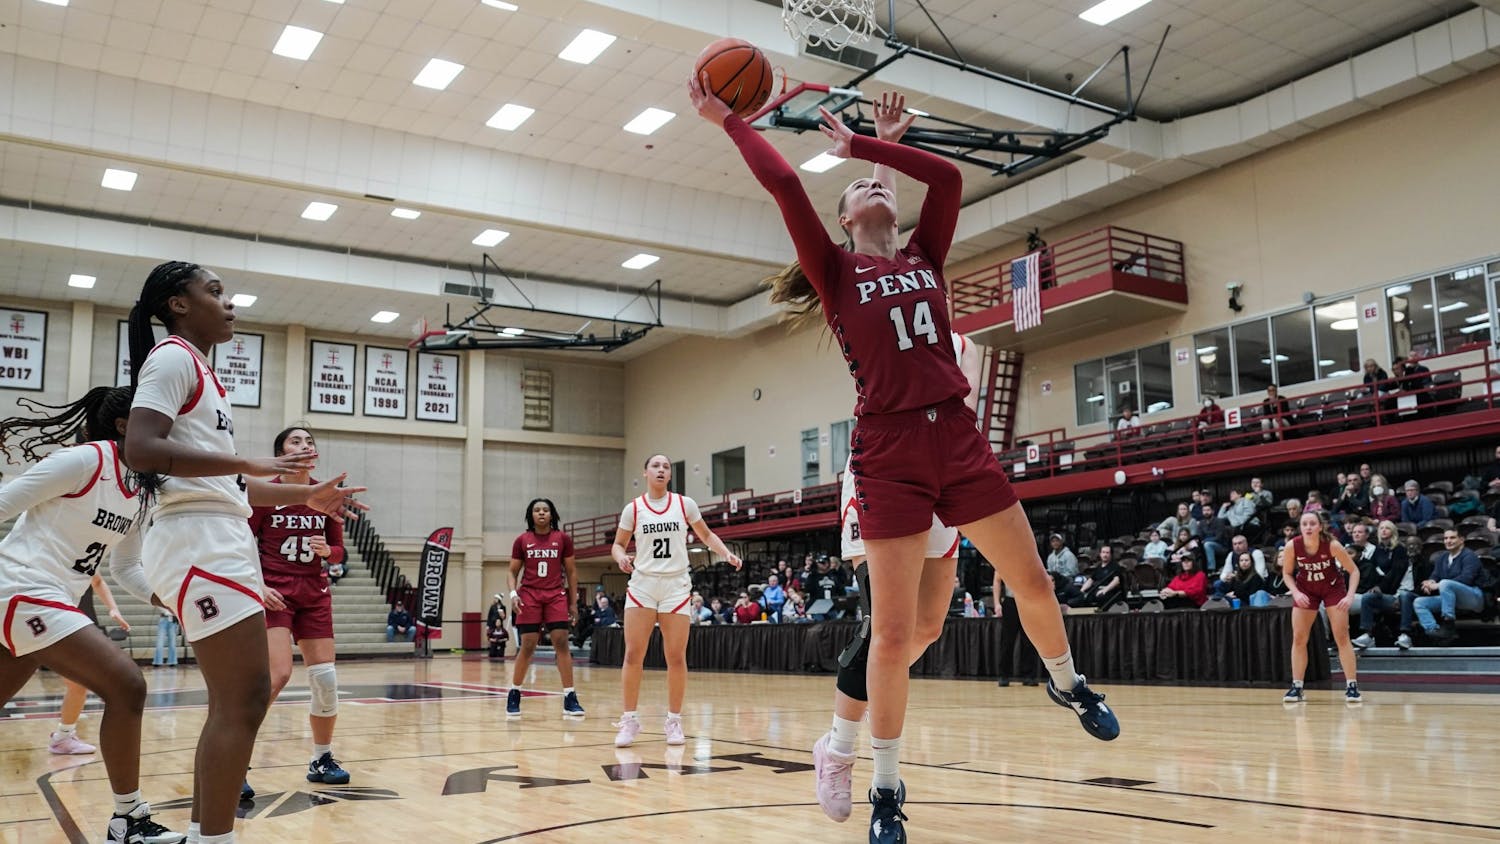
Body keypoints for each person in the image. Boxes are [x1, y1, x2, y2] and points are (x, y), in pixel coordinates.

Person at [698, 78, 1118, 840]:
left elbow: (948, 179)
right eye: (859, 189)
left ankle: (1068, 682)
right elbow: (786, 183)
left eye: (878, 187)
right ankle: (884, 788)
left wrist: (870, 146)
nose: (871, 189)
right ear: (843, 219)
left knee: (1022, 583)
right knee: (893, 635)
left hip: (956, 436)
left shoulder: (925, 254)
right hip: (888, 453)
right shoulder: (835, 272)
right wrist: (727, 118)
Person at [122, 261, 365, 843]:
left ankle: (204, 834)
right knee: (246, 696)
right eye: (215, 292)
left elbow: (229, 483)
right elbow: (141, 449)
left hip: (214, 535)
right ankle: (214, 838)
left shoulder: (201, 370)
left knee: (234, 701)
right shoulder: (173, 357)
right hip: (198, 539)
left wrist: (306, 493)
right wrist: (245, 460)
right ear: (179, 303)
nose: (228, 303)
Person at [0, 385, 184, 843]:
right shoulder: (85, 460)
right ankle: (129, 821)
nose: (168, 432)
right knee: (127, 684)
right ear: (125, 426)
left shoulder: (141, 490)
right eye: (159, 422)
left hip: (51, 599)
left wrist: (169, 600)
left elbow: (126, 567)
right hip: (22, 588)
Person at [246, 425, 351, 795]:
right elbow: (243, 541)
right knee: (277, 676)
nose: (304, 445)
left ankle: (321, 758)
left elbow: (339, 552)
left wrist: (328, 552)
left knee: (325, 680)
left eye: (309, 441)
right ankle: (236, 759)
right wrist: (258, 585)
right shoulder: (265, 493)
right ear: (282, 455)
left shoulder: (326, 494)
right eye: (295, 440)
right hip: (275, 593)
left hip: (314, 593)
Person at [611, 454, 741, 748]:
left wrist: (726, 554)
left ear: (670, 475)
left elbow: (706, 535)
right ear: (645, 473)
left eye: (666, 467)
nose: (661, 470)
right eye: (655, 466)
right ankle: (629, 720)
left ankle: (673, 721)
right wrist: (621, 558)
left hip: (676, 586)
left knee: (676, 657)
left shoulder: (685, 504)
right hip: (643, 584)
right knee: (633, 655)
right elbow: (618, 544)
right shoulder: (634, 508)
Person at [505, 497, 583, 718]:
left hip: (555, 595)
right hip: (529, 595)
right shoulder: (522, 540)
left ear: (552, 514)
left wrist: (573, 603)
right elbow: (512, 572)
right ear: (531, 515)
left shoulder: (562, 539)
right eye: (537, 510)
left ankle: (570, 697)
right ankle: (514, 692)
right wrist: (513, 594)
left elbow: (572, 572)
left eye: (545, 510)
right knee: (528, 645)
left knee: (561, 642)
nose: (541, 513)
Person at [1281, 512, 1361, 704]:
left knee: (1341, 636)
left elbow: (1354, 571)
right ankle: (1297, 687)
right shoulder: (1293, 545)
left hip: (1332, 589)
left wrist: (1349, 596)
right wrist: (1296, 593)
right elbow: (1287, 573)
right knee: (1299, 638)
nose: (1308, 527)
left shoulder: (1332, 545)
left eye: (1312, 523)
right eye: (1304, 524)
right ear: (1300, 527)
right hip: (1306, 590)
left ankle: (1352, 686)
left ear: (1320, 527)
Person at [1404, 529, 1482, 646]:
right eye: (1446, 538)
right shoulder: (1443, 557)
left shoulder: (1469, 556)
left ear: (1461, 540)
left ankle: (1448, 625)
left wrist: (1438, 585)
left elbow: (1467, 579)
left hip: (1473, 597)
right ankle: (1434, 632)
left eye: (1452, 538)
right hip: (1450, 598)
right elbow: (1435, 575)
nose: (1448, 541)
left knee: (1445, 583)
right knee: (1419, 602)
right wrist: (1429, 582)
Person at [1353, 520, 1414, 648]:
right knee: (1367, 597)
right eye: (1381, 528)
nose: (1384, 530)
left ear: (1393, 531)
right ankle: (1368, 635)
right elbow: (1372, 569)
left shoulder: (1399, 549)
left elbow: (1396, 573)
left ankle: (1406, 635)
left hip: (1399, 592)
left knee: (1404, 596)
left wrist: (1380, 587)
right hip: (1385, 593)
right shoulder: (1378, 549)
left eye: (1387, 528)